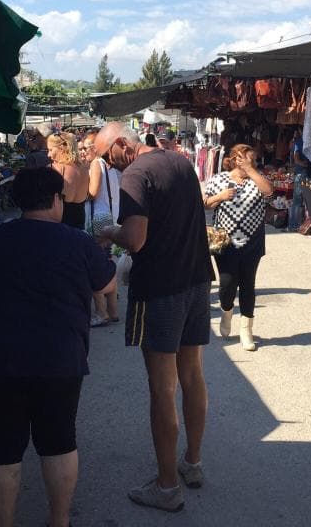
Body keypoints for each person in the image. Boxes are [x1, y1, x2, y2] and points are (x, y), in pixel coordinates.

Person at [0, 166, 115, 527]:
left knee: (1, 451)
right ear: (57, 199)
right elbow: (107, 285)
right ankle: (59, 520)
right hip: (60, 360)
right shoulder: (78, 242)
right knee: (59, 442)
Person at [94, 122, 213, 513]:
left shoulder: (134, 174)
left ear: (124, 145)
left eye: (106, 155)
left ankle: (166, 487)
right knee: (192, 375)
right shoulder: (178, 162)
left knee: (162, 388)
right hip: (196, 280)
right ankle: (191, 464)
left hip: (160, 288)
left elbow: (135, 238)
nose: (106, 164)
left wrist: (108, 230)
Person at [203, 144, 274, 351]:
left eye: (253, 161)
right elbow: (205, 204)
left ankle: (246, 330)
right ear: (235, 160)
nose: (251, 164)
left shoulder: (256, 180)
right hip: (225, 241)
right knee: (227, 283)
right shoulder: (219, 180)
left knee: (248, 284)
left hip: (252, 241)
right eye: (247, 160)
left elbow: (269, 192)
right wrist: (220, 197)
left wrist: (252, 171)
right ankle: (226, 311)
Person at [85, 130, 121, 326]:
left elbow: (92, 192)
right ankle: (113, 310)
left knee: (96, 265)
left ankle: (101, 312)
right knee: (109, 264)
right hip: (111, 215)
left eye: (87, 147)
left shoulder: (96, 164)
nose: (84, 151)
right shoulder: (111, 164)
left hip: (99, 218)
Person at [48, 133, 89, 230]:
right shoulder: (84, 168)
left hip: (59, 225)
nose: (48, 154)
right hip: (80, 223)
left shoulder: (54, 169)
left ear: (62, 148)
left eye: (50, 150)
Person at [288, 128, 309, 231]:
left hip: (301, 172)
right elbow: (296, 158)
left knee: (298, 199)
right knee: (299, 199)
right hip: (302, 172)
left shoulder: (299, 141)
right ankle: (294, 225)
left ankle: (295, 224)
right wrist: (303, 164)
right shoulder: (300, 142)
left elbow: (295, 158)